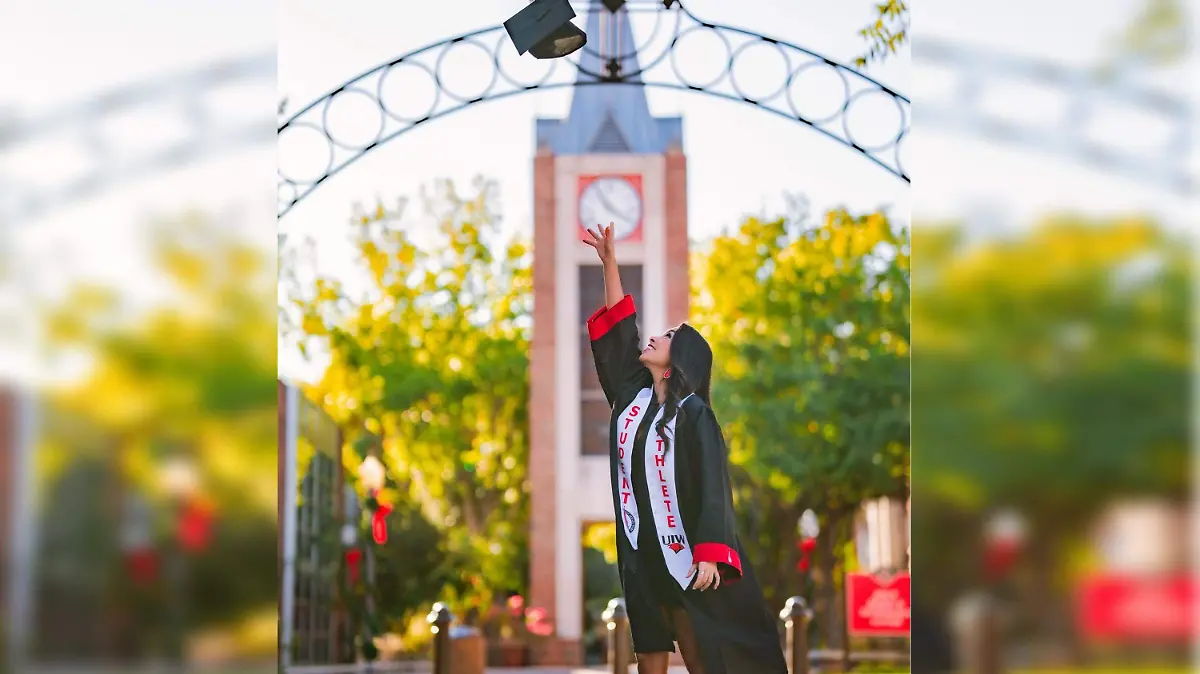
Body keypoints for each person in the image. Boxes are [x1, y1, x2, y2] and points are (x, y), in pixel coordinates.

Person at [583, 223, 787, 674]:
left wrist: (712, 548)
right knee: (649, 644)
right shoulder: (632, 396)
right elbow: (620, 337)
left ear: (682, 360)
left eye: (670, 335)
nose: (657, 336)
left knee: (700, 653)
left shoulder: (695, 415)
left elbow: (714, 485)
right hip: (641, 545)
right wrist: (610, 263)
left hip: (685, 548)